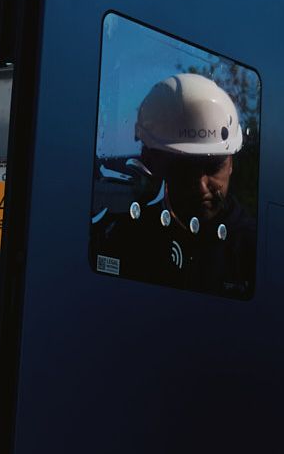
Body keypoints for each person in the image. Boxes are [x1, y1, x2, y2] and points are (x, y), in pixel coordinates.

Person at [90, 71, 256, 293]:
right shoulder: (124, 239)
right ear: (151, 160)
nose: (201, 186)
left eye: (213, 166)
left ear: (231, 163)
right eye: (184, 169)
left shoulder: (252, 250)